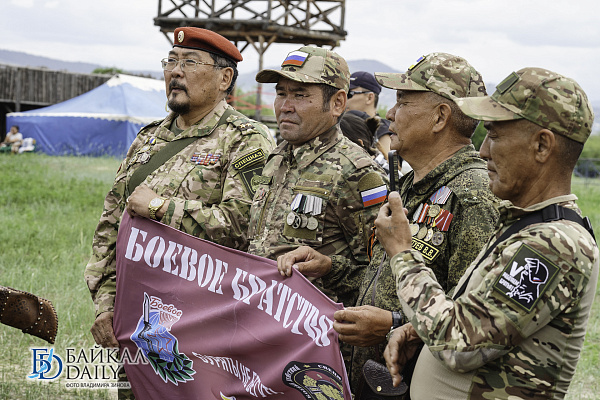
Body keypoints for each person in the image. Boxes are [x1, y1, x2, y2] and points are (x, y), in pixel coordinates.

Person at [277, 52, 499, 394]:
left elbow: (477, 323)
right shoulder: (412, 186)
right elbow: (382, 280)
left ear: (440, 117)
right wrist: (330, 267)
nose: (390, 114)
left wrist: (392, 326)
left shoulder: (472, 195)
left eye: (403, 102)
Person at [381, 67, 598, 400]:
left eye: (495, 135)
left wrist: (402, 254)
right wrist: (419, 331)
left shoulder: (555, 244)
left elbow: (459, 344)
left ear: (542, 146)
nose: (483, 151)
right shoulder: (524, 223)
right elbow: (482, 316)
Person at [84, 27, 275, 350]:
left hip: (203, 320)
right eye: (171, 61)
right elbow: (111, 226)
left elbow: (244, 226)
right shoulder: (148, 138)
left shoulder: (245, 139)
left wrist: (161, 208)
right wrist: (106, 304)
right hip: (134, 313)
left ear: (224, 78)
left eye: (190, 62)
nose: (175, 71)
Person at [247, 46, 388, 306]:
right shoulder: (277, 158)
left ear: (337, 103)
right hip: (261, 314)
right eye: (281, 94)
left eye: (300, 95)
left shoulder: (357, 172)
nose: (285, 107)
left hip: (317, 324)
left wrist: (329, 268)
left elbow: (382, 274)